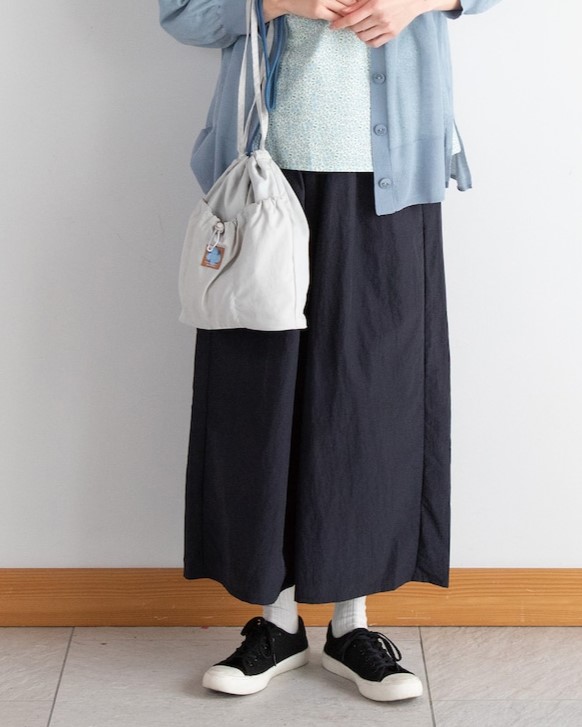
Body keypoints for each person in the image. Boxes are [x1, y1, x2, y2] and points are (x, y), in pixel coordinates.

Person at [158, 0, 501, 703]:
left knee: (371, 400)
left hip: (390, 180)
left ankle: (353, 625)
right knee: (259, 400)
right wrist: (279, 1)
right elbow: (185, 13)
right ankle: (276, 621)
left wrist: (417, 2)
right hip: (264, 176)